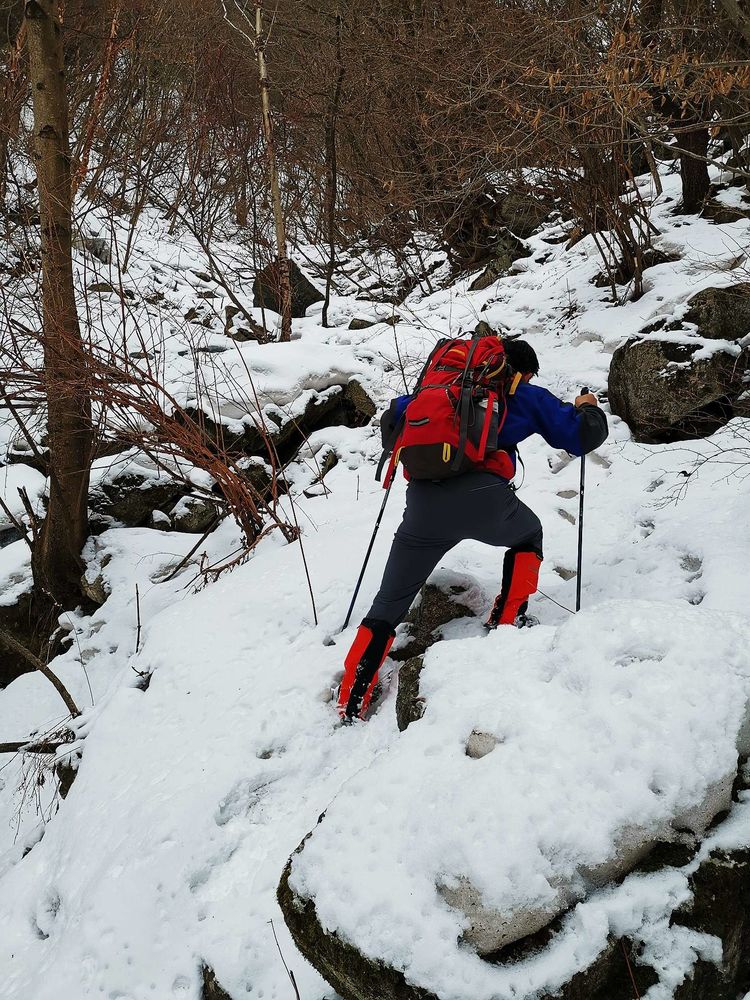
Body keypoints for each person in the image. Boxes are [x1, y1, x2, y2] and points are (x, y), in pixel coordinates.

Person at [338, 336, 608, 722]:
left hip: (423, 509)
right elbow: (582, 437)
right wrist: (588, 410)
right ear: (520, 372)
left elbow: (390, 424)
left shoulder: (433, 391)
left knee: (387, 605)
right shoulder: (522, 395)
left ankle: (350, 700)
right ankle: (507, 620)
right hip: (486, 500)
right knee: (528, 534)